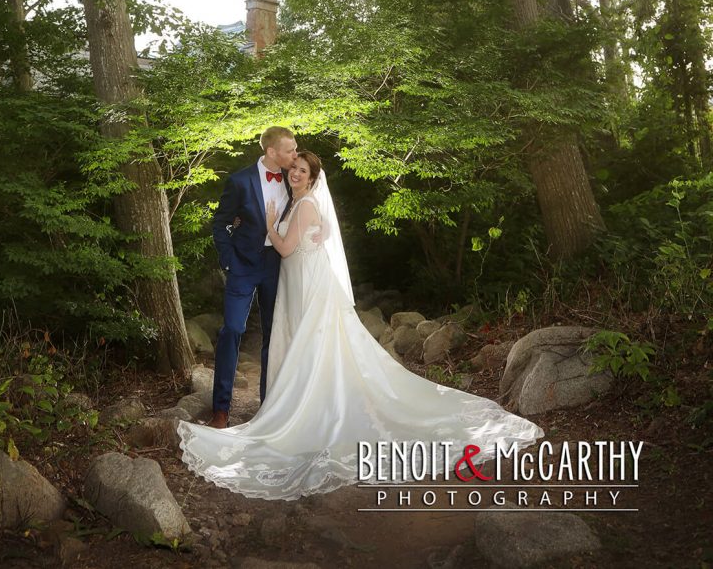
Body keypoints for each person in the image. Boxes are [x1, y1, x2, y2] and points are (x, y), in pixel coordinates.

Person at [179, 151, 544, 499]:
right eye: (294, 168)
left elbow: (288, 249)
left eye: (302, 171)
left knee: (313, 343)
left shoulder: (304, 204)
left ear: (313, 178)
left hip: (307, 284)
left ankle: (312, 408)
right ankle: (291, 401)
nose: (295, 173)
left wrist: (273, 226)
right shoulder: (297, 201)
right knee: (306, 344)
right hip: (299, 280)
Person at [207, 126, 298, 428]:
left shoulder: (293, 178)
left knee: (274, 335)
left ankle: (267, 405)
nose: (294, 155)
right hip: (243, 266)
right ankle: (221, 408)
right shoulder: (240, 181)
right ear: (272, 152)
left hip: (278, 264)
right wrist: (229, 261)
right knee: (232, 329)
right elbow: (220, 224)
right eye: (290, 150)